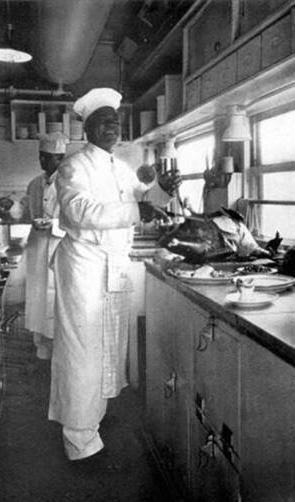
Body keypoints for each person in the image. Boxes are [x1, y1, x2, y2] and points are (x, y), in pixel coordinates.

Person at [49, 88, 182, 461]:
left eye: (116, 121)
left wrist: (161, 192)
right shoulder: (72, 167)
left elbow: (142, 202)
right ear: (88, 128)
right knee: (82, 352)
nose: (113, 126)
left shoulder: (118, 167)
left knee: (106, 347)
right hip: (85, 267)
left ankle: (91, 425)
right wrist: (140, 207)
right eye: (104, 120)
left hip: (112, 265)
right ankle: (77, 440)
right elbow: (80, 212)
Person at [24, 132, 68, 361]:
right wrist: (10, 210)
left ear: (59, 159)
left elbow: (74, 220)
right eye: (41, 156)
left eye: (47, 157)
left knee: (55, 297)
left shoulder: (68, 184)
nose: (42, 161)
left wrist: (53, 223)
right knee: (37, 296)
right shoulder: (34, 183)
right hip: (37, 246)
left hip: (58, 247)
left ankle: (58, 350)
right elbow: (23, 211)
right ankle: (40, 347)